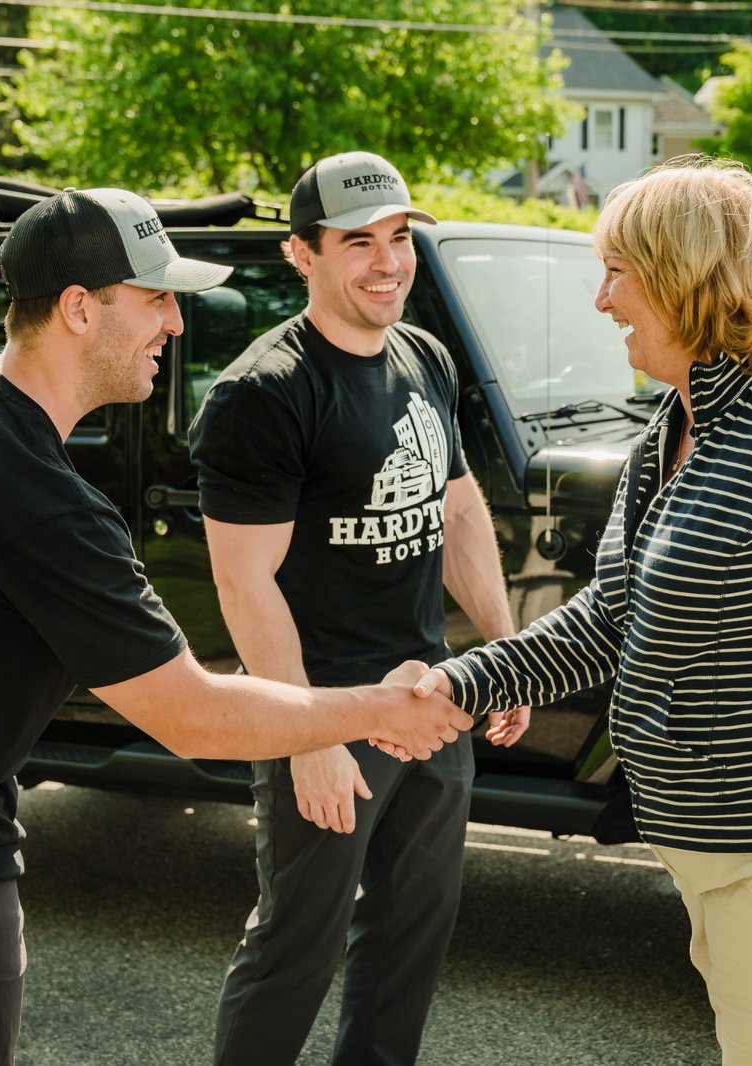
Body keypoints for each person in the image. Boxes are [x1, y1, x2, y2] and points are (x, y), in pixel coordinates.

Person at [0, 186, 472, 1066]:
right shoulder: (37, 499)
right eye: (155, 299)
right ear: (77, 309)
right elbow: (192, 716)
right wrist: (375, 709)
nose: (175, 324)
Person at [412, 156, 752, 1066]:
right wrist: (464, 682)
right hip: (727, 864)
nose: (602, 300)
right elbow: (611, 619)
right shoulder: (678, 426)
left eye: (617, 272)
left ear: (687, 280)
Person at [190, 151, 526, 1066]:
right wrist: (309, 737)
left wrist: (504, 654)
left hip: (433, 703)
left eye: (399, 237)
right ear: (302, 254)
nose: (388, 262)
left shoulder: (424, 358)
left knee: (412, 939)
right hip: (328, 712)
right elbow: (243, 581)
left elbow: (457, 510)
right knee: (296, 946)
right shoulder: (263, 394)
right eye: (358, 244)